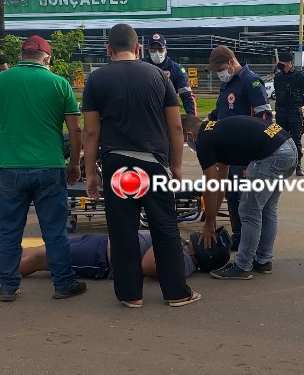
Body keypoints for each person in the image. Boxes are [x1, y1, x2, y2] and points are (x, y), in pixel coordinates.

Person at [82, 23, 201, 308]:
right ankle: (176, 293)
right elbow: (175, 126)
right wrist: (177, 167)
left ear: (108, 50)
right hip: (154, 165)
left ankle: (130, 294)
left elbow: (90, 132)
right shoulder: (159, 76)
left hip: (117, 165)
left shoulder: (96, 80)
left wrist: (89, 173)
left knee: (123, 231)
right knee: (165, 228)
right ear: (138, 49)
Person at [0, 35, 86, 303]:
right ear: (47, 58)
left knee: (10, 229)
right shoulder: (59, 83)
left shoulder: (1, 80)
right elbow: (75, 129)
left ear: (21, 55)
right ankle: (63, 283)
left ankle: (8, 286)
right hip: (49, 166)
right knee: (55, 230)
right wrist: (74, 162)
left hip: (11, 167)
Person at [182, 115, 297, 280]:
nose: (187, 145)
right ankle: (263, 260)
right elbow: (221, 180)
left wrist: (208, 222)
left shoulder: (204, 141)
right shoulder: (216, 131)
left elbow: (210, 185)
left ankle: (243, 266)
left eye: (185, 141)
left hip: (271, 155)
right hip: (287, 148)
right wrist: (212, 217)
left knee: (249, 211)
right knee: (266, 209)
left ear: (189, 135)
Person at [0, 228, 231, 281]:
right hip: (103, 244)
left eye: (210, 239)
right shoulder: (182, 251)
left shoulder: (184, 264)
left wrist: (161, 235)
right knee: (42, 250)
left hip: (101, 259)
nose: (204, 235)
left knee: (37, 262)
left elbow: (147, 266)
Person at [206, 45, 272, 250]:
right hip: (229, 151)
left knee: (246, 199)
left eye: (221, 69)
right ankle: (238, 235)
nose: (219, 74)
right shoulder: (228, 84)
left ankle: (250, 242)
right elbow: (220, 112)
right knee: (233, 194)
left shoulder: (250, 82)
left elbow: (265, 116)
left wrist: (257, 151)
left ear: (232, 62)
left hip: (246, 152)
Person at [270, 50, 304, 176]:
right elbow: (277, 94)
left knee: (295, 140)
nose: (281, 65)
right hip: (281, 113)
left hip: (294, 113)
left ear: (289, 63)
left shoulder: (300, 76)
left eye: (283, 63)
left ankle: (298, 165)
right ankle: (281, 165)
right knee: (280, 140)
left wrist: (298, 105)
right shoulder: (278, 77)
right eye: (280, 63)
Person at [143, 32, 197, 115]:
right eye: (153, 50)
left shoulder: (176, 69)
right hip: (145, 112)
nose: (157, 52)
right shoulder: (141, 66)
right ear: (148, 50)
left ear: (165, 49)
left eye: (160, 49)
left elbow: (187, 96)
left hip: (168, 113)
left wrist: (192, 119)